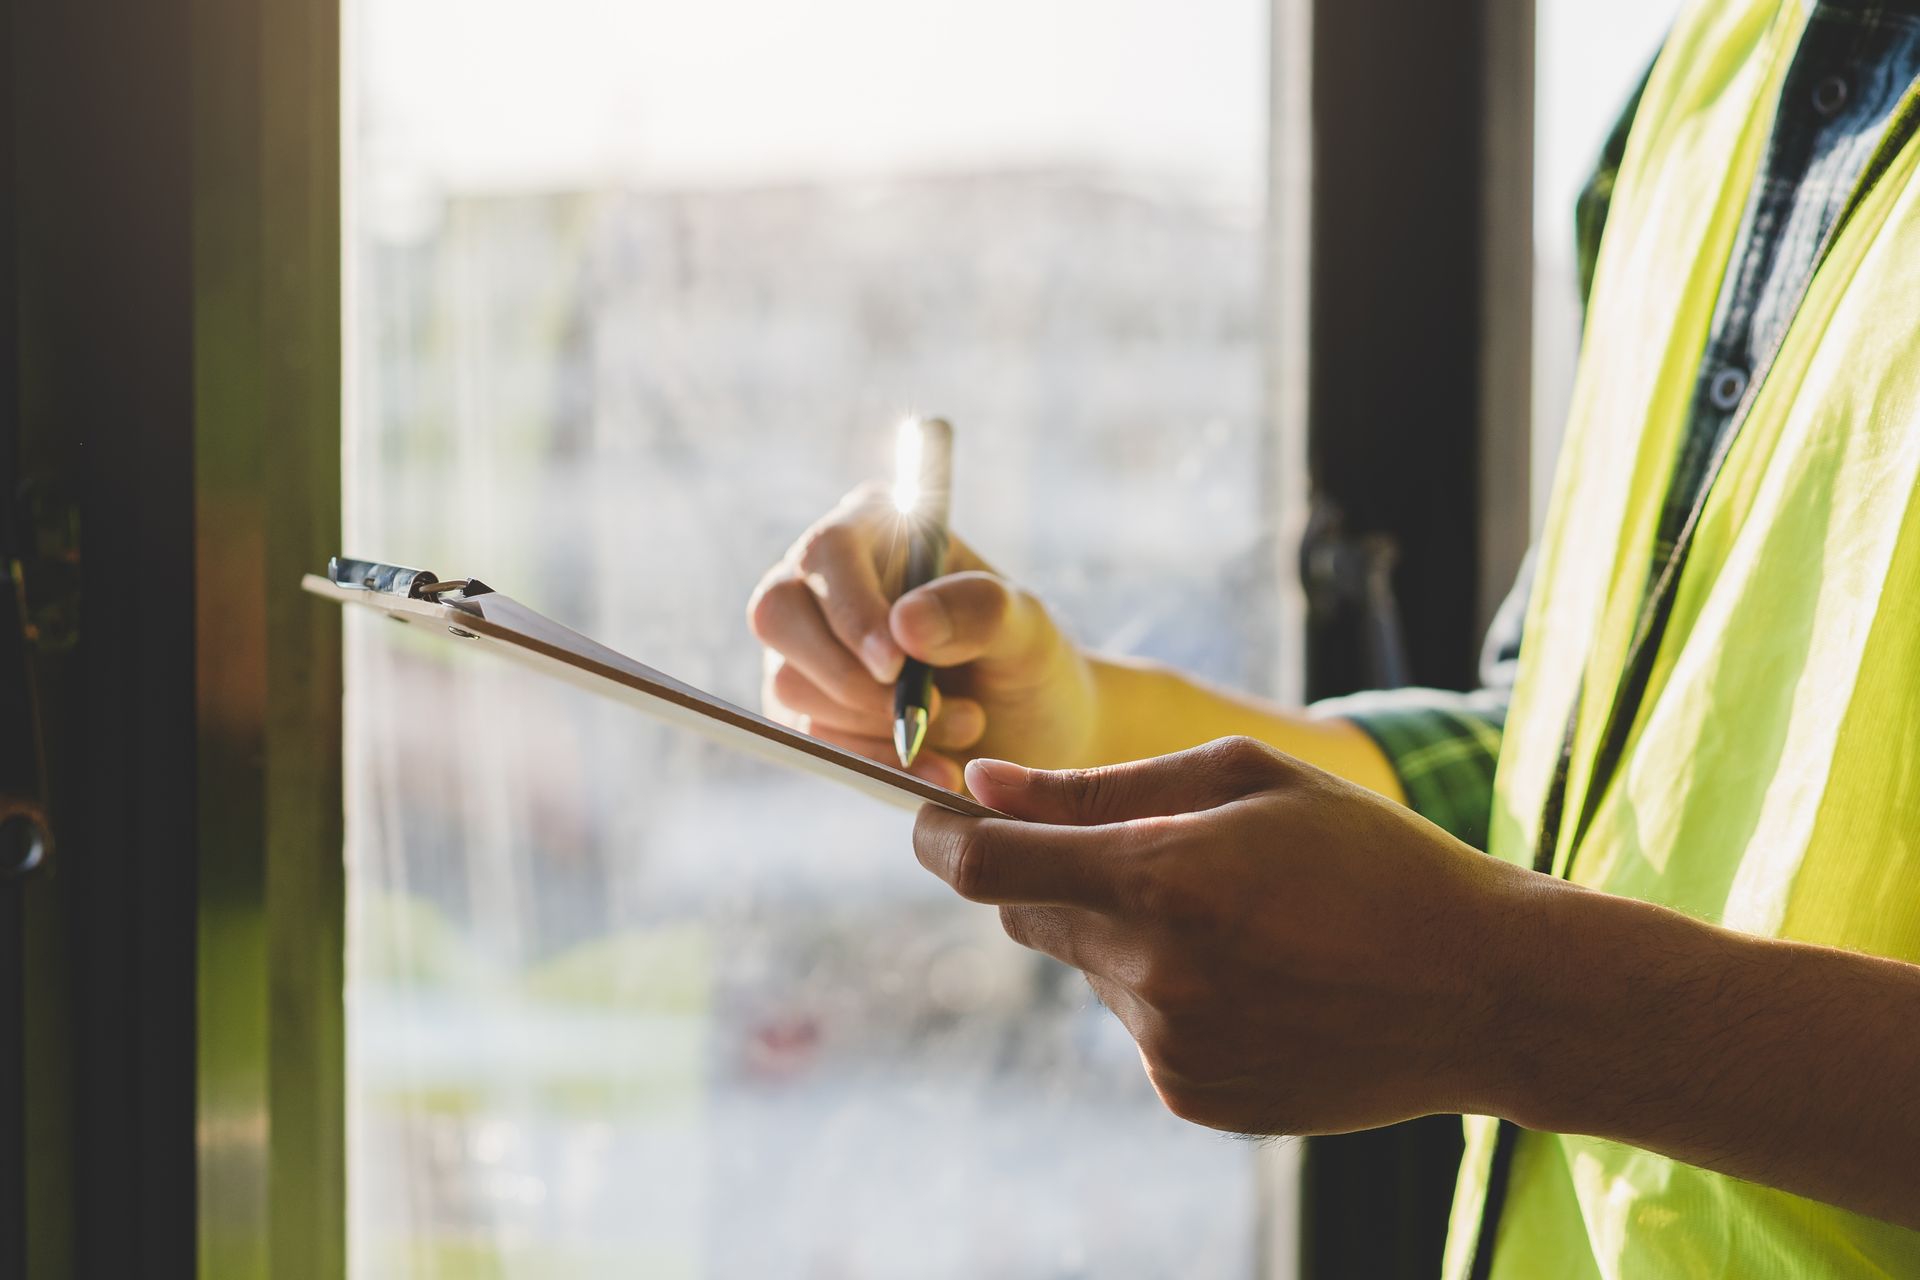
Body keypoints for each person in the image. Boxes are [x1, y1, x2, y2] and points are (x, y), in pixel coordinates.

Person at [747, 0, 1920, 1273]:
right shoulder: (1708, 80)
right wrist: (1083, 722)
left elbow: (1528, 930)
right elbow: (1579, 789)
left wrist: (1509, 997)